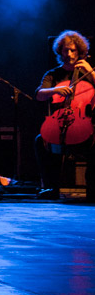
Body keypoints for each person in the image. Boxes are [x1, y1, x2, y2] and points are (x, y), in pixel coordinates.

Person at [34, 30, 95, 200]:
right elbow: (39, 94)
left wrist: (91, 72)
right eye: (65, 50)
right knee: (40, 141)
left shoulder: (87, 73)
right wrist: (55, 90)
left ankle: (92, 189)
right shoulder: (53, 74)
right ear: (60, 52)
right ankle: (51, 188)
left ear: (80, 52)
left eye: (73, 50)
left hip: (85, 125)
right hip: (61, 126)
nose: (69, 54)